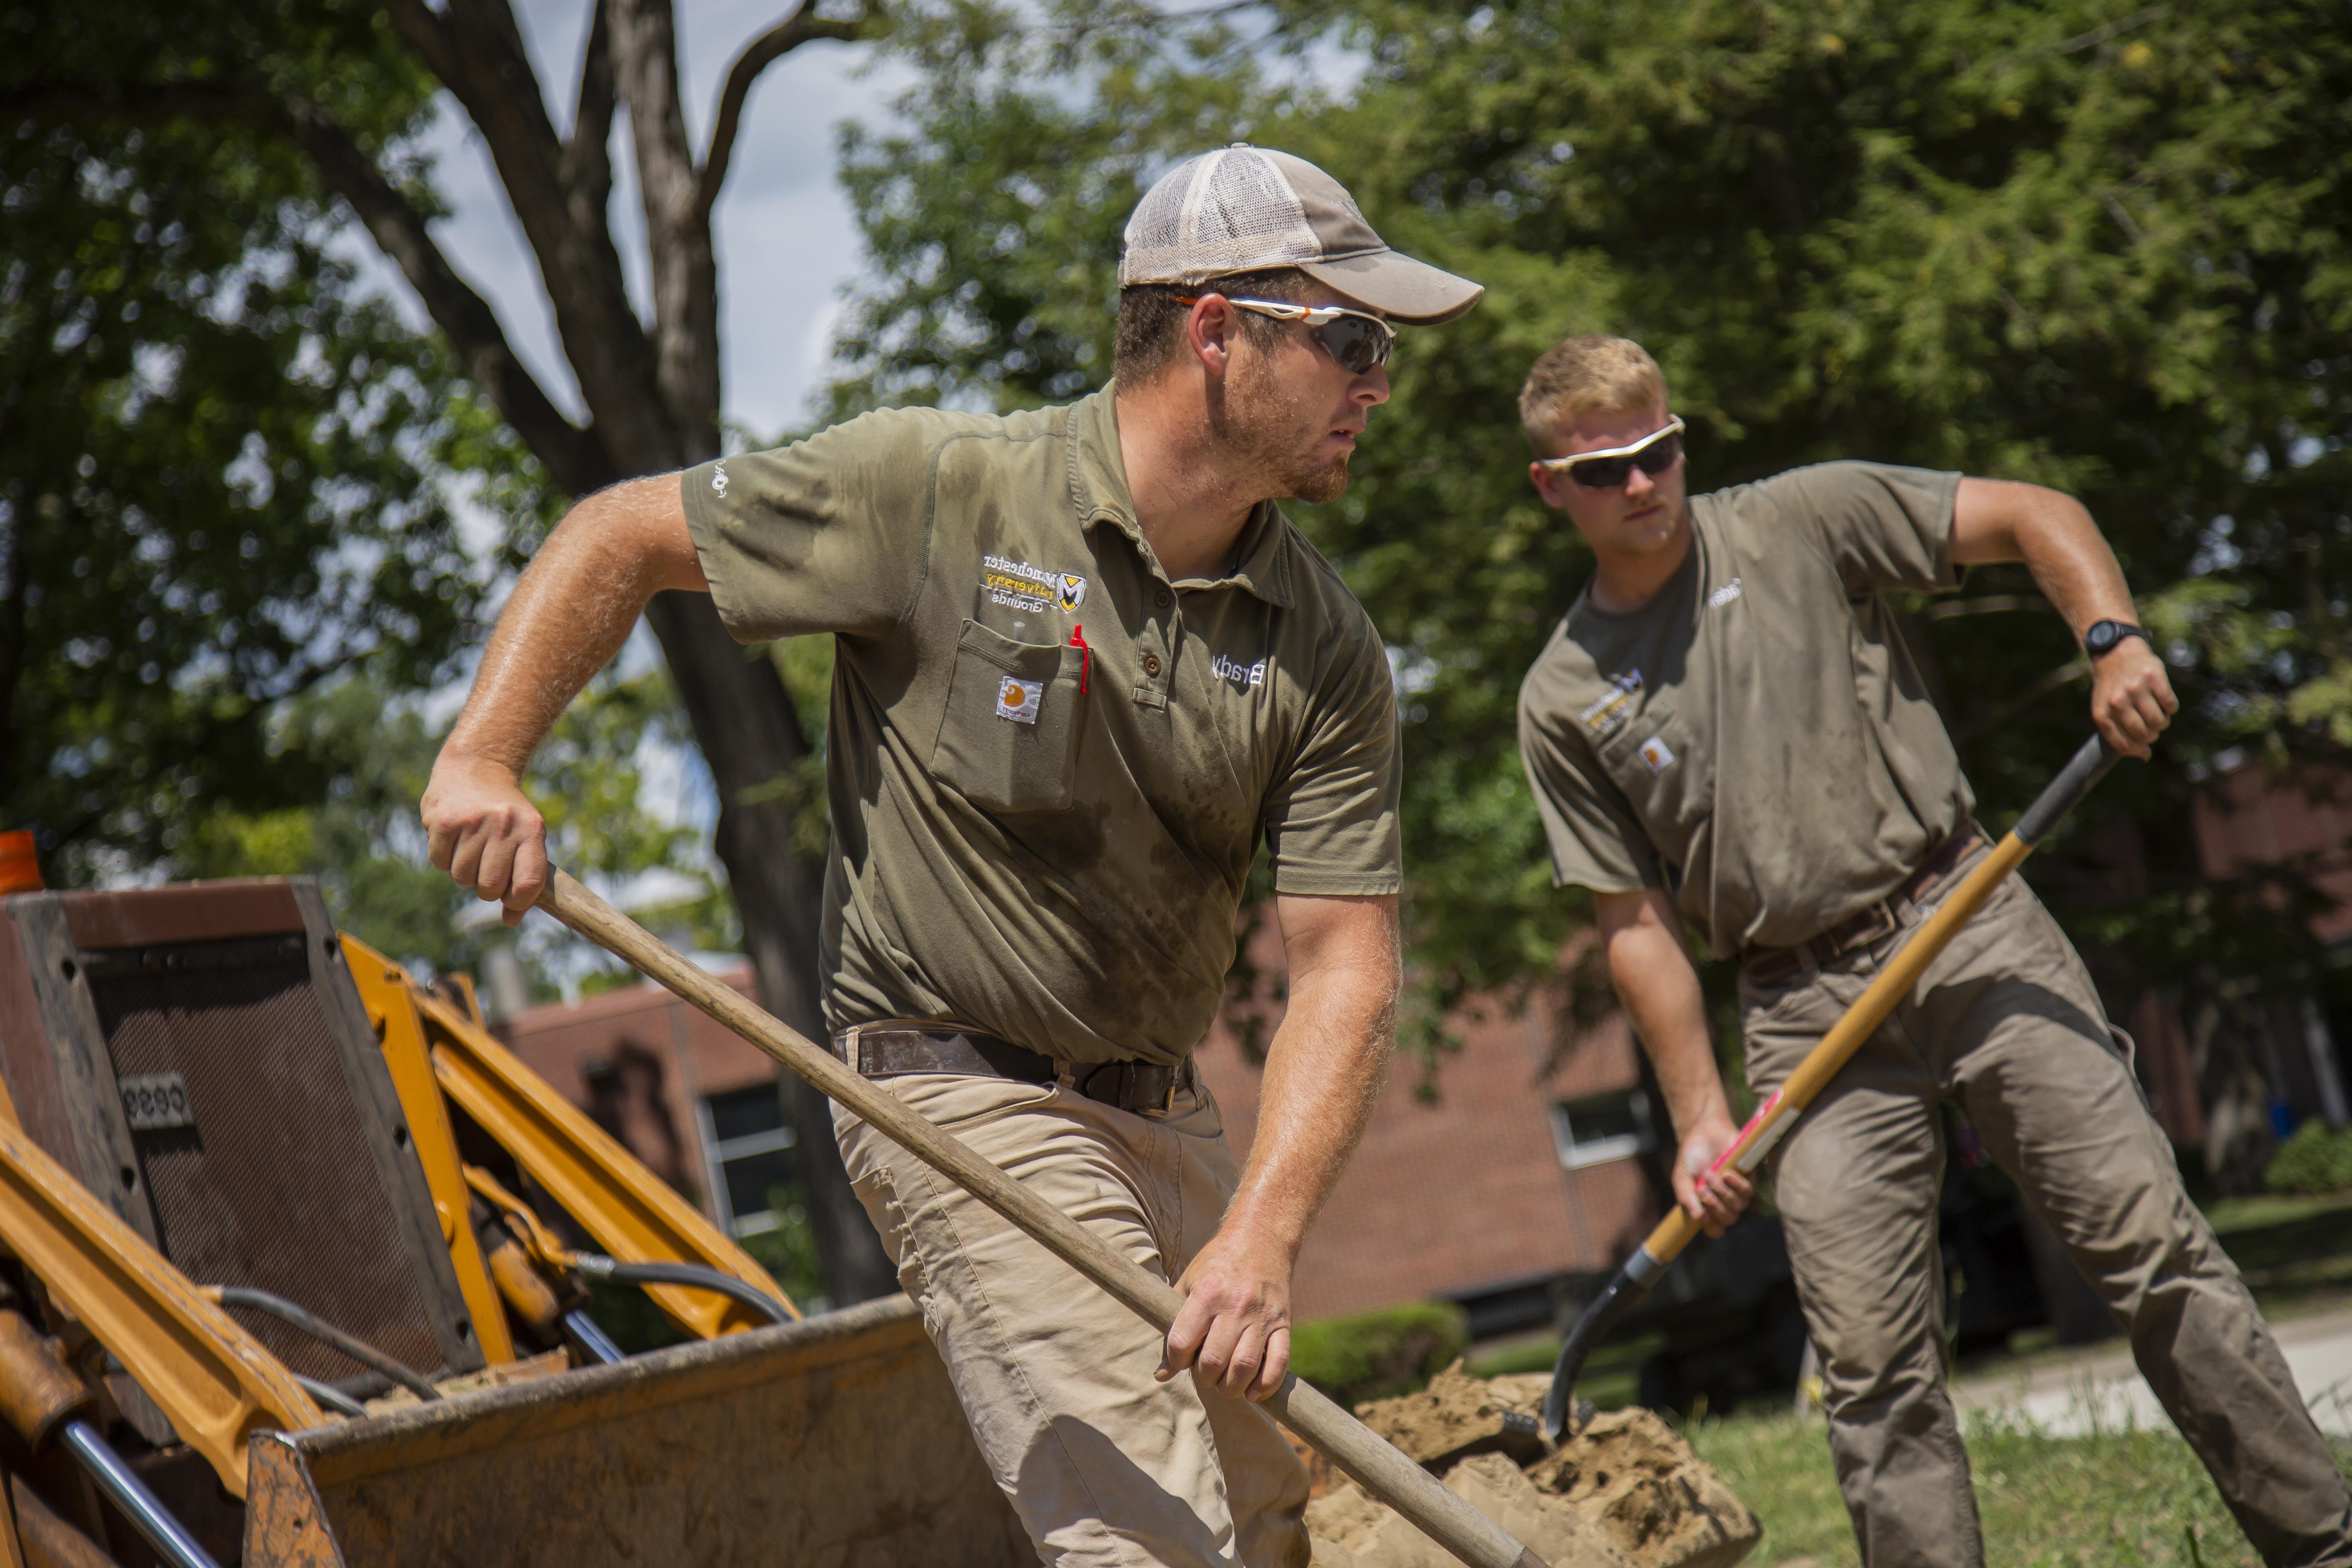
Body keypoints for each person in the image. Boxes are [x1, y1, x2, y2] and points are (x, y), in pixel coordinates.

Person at [421, 145, 1481, 1568]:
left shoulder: (1324, 645)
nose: (1379, 383)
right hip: (959, 1108)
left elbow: (1346, 965)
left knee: (1272, 1520)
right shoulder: (942, 490)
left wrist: (1263, 1234)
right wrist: (487, 757)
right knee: (1153, 1539)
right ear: (1215, 332)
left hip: (1165, 1129)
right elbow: (619, 534)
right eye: (1350, 341)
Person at [1512, 335, 2352, 1567]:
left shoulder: (1803, 519)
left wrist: (2112, 638)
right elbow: (1633, 926)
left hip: (1964, 921)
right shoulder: (1563, 696)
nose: (1642, 485)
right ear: (1553, 490)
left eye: (1660, 452)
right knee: (1870, 1370)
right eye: (1606, 471)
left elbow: (2034, 512)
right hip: (1802, 1013)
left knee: (2153, 1250)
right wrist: (1700, 1118)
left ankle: (2322, 1544)